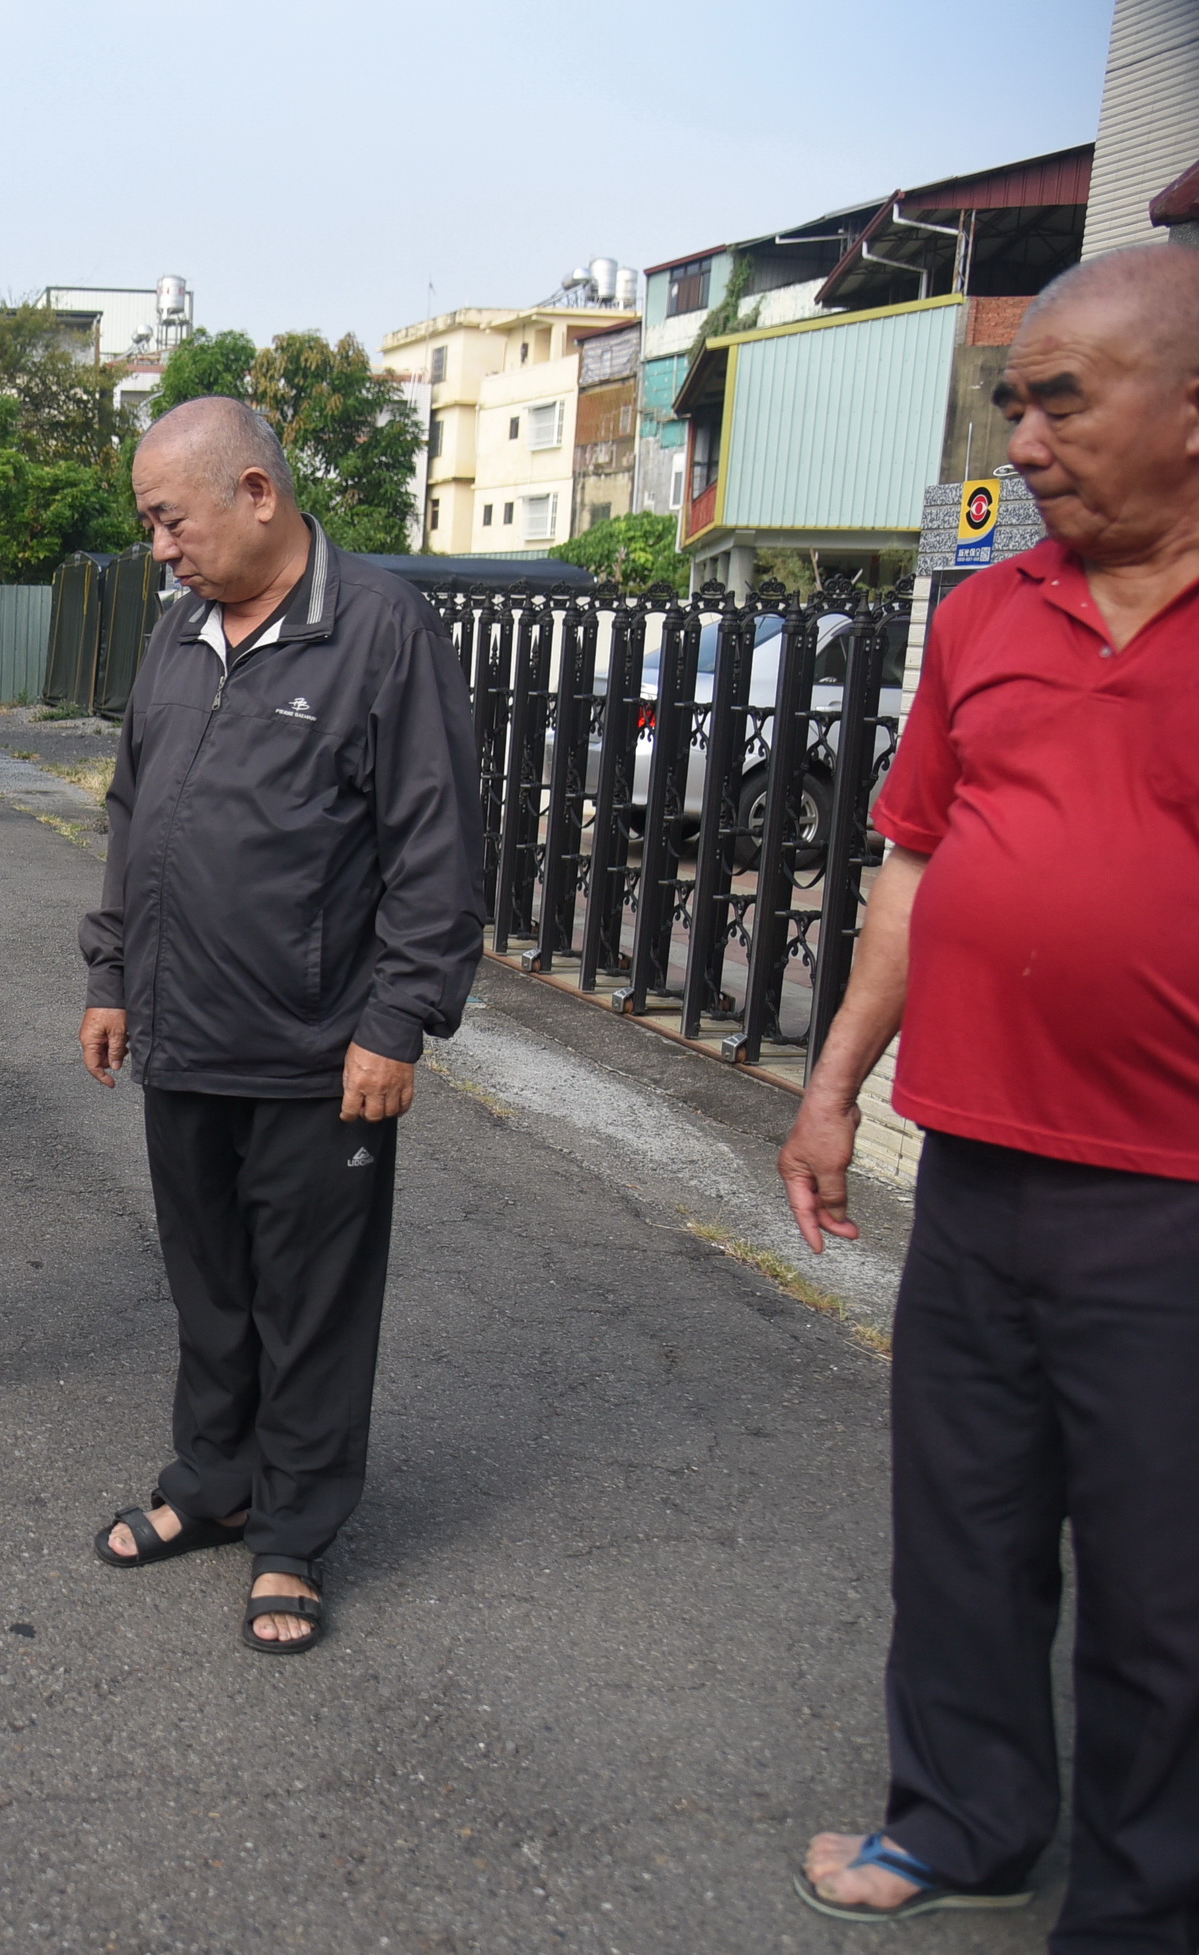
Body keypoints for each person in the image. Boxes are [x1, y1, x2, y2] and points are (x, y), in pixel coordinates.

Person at [777, 244, 1199, 1946]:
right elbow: (909, 868)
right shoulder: (980, 617)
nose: (1018, 442)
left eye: (1059, 402)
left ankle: (1144, 1899)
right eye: (1009, 403)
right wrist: (831, 1092)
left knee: (1163, 1592)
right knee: (959, 1529)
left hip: (1168, 1193)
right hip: (977, 1166)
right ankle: (961, 1815)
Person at [77, 396, 482, 1650]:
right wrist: (109, 974)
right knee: (207, 1286)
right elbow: (132, 813)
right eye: (148, 524)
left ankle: (294, 1530)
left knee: (307, 1297)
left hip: (318, 1049)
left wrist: (396, 1019)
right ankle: (210, 1480)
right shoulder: (178, 633)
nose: (158, 547)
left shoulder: (376, 631)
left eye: (168, 518)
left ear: (256, 492)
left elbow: (435, 846)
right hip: (181, 1032)